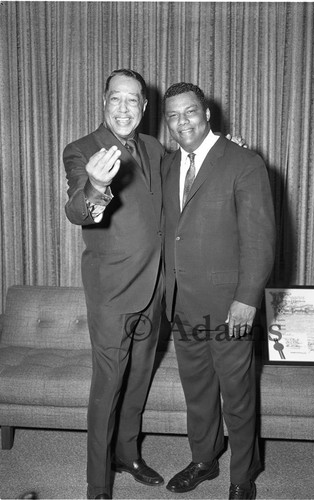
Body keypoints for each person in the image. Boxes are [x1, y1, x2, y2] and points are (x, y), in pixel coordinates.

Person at [162, 83, 276, 500]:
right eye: (172, 116)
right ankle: (204, 460)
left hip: (231, 307)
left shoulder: (243, 161)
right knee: (198, 392)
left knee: (238, 395)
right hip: (182, 304)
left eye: (189, 112)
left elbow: (260, 239)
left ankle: (242, 476)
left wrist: (247, 298)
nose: (181, 122)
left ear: (207, 113)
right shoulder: (166, 165)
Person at [63, 69, 165, 499]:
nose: (123, 108)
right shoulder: (82, 149)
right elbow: (77, 208)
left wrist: (224, 148)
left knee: (139, 378)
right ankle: (98, 481)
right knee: (108, 385)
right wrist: (97, 187)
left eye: (132, 101)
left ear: (144, 107)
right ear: (104, 103)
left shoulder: (156, 148)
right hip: (112, 292)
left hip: (155, 287)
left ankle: (128, 453)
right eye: (115, 99)